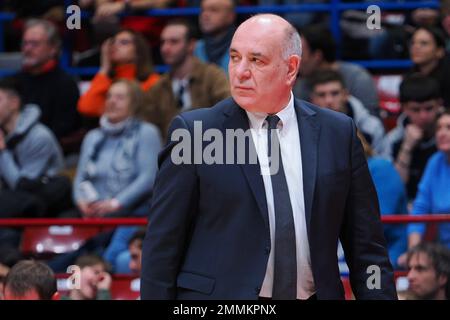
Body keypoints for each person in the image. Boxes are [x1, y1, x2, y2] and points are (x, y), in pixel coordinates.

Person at [141, 14, 396, 300]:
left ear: (291, 69)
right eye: (235, 57)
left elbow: (368, 249)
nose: (240, 72)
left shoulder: (338, 133)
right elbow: (161, 248)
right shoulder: (194, 134)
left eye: (256, 60)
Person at [138, 19, 230, 140]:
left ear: (191, 45)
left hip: (211, 149)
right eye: (163, 42)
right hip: (172, 153)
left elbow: (228, 113)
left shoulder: (213, 76)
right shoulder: (158, 87)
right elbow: (148, 126)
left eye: (174, 42)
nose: (165, 48)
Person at [0, 77, 67, 219]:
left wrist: (2, 152)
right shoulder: (3, 134)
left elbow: (21, 186)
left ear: (14, 103)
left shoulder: (39, 136)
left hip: (44, 205)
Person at [15, 19, 82, 154]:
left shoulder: (65, 84)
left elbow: (62, 132)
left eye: (35, 44)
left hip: (49, 153)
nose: (27, 49)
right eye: (25, 43)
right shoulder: (11, 82)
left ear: (53, 49)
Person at [293, 24, 380, 118]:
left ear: (317, 56)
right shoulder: (301, 85)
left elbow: (372, 123)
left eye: (301, 53)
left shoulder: (357, 78)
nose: (296, 60)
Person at [379, 74, 442, 200]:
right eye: (416, 110)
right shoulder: (393, 140)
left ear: (439, 104)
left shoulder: (447, 134)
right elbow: (393, 191)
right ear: (404, 108)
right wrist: (406, 148)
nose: (423, 116)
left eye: (429, 108)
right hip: (406, 209)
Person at [78, 29, 160, 118]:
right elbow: (86, 108)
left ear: (138, 51)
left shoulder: (153, 81)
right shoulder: (106, 80)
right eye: (113, 42)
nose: (115, 46)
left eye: (124, 42)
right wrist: (104, 69)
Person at [309, 69, 385, 153]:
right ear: (312, 99)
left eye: (335, 93)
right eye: (321, 95)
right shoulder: (300, 129)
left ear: (345, 95)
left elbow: (378, 163)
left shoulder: (372, 128)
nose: (329, 100)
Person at [406, 110, 450, 250]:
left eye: (449, 128)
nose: (442, 133)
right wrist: (414, 253)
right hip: (445, 254)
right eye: (439, 128)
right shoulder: (435, 162)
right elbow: (420, 209)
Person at [194, 0, 236, 72]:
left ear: (230, 16)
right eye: (203, 10)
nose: (205, 15)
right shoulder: (195, 48)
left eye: (214, 10)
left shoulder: (241, 48)